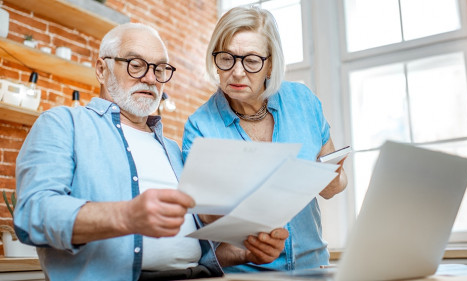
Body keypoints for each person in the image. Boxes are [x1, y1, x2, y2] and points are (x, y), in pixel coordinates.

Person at [14, 22, 288, 281]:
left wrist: (246, 252)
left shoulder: (172, 149)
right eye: (136, 65)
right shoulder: (63, 124)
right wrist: (126, 216)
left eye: (159, 69)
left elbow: (189, 247)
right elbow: (32, 214)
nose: (150, 78)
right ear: (101, 69)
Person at [181, 6, 348, 272]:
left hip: (314, 267)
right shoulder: (200, 127)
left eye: (251, 61)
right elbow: (205, 223)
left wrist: (333, 177)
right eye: (226, 58)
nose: (236, 72)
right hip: (247, 275)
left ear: (270, 63)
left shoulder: (303, 101)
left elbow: (334, 183)